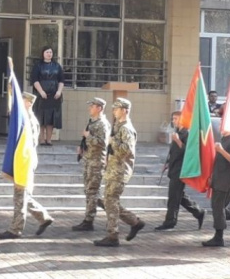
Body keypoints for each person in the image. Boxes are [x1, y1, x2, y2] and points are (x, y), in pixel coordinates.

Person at [0, 92, 54, 239]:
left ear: (29, 103)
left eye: (22, 100)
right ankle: (43, 217)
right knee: (23, 195)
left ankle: (15, 229)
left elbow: (27, 143)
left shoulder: (28, 120)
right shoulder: (25, 118)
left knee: (20, 194)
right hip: (24, 159)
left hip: (25, 160)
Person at [94, 98, 144, 247]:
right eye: (113, 109)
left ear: (124, 110)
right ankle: (134, 222)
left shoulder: (126, 128)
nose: (114, 111)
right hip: (113, 169)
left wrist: (112, 141)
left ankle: (113, 235)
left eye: (116, 109)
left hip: (120, 170)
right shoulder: (118, 126)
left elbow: (126, 150)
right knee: (110, 201)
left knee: (110, 201)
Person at [155, 111, 205, 231]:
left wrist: (178, 141)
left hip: (181, 169)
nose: (174, 121)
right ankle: (198, 212)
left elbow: (189, 153)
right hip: (174, 167)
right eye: (173, 119)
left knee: (173, 196)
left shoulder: (187, 133)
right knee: (179, 195)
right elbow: (174, 151)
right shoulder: (177, 132)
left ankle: (170, 221)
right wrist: (167, 162)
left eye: (176, 119)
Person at [72, 97, 110, 231]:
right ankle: (112, 210)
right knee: (89, 192)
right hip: (89, 160)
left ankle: (89, 220)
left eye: (92, 106)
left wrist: (88, 136)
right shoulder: (93, 122)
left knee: (92, 192)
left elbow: (103, 143)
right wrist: (82, 147)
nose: (90, 108)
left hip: (96, 162)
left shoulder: (102, 124)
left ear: (99, 108)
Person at [30, 46, 64, 146]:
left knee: (51, 118)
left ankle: (49, 139)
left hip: (54, 96)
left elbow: (61, 80)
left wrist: (59, 91)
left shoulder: (57, 66)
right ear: (43, 53)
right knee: (41, 117)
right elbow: (34, 80)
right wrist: (41, 92)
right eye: (47, 52)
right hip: (41, 96)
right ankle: (41, 139)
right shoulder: (38, 66)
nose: (49, 54)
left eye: (50, 52)